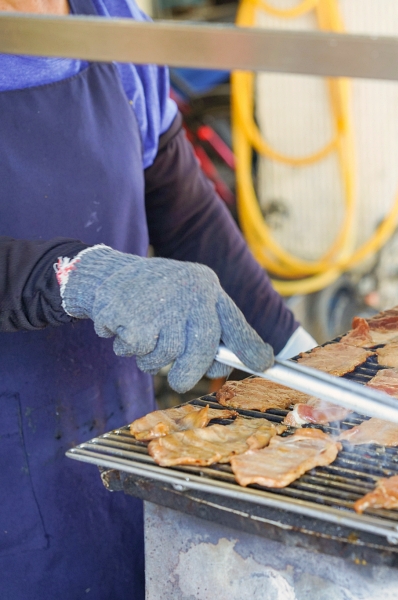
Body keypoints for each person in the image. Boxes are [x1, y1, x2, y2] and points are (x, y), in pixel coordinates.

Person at [0, 0, 317, 596]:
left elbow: (185, 210)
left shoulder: (113, 23)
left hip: (117, 449)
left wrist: (303, 360)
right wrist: (74, 275)